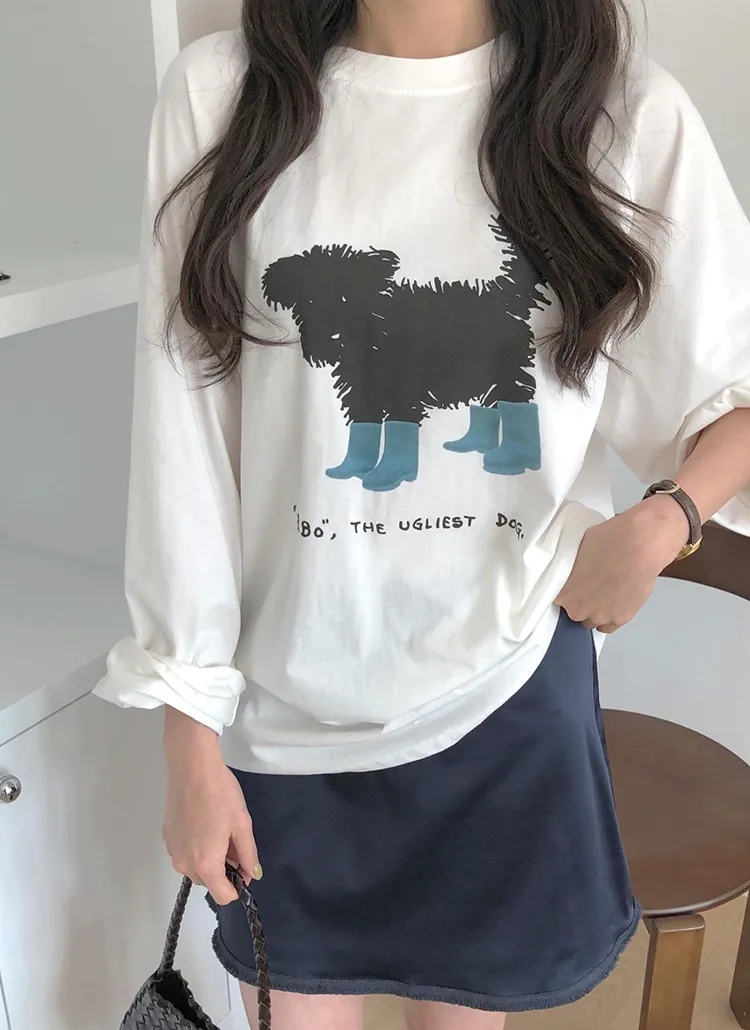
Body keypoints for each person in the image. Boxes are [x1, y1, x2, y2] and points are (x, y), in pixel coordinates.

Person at [94, 0, 750, 1027]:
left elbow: (732, 394)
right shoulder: (222, 96)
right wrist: (188, 739)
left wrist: (666, 519)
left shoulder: (618, 113)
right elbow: (182, 441)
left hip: (505, 682)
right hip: (282, 700)